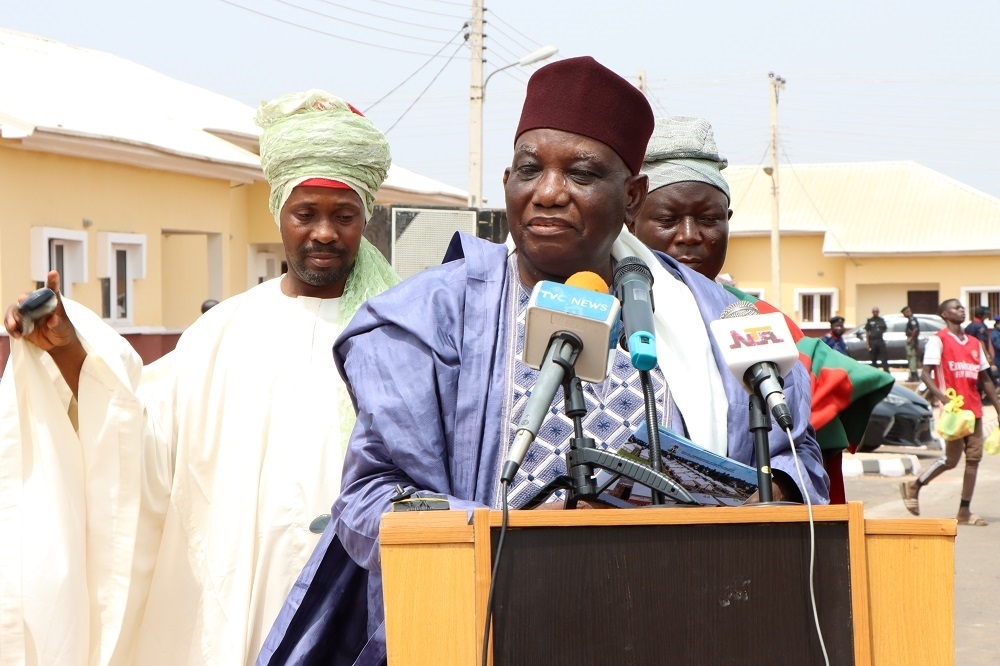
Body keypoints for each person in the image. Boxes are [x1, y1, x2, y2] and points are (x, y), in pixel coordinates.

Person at [259, 58, 828, 665]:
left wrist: (754, 503)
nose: (549, 192)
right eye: (531, 169)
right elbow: (371, 497)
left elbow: (798, 466)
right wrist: (523, 533)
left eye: (581, 173)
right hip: (486, 633)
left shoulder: (717, 321)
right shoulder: (429, 318)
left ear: (631, 195)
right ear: (508, 179)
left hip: (678, 627)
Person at [0, 91, 398, 665]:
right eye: (305, 214)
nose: (324, 234)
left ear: (365, 218)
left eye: (343, 216)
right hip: (242, 609)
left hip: (359, 610)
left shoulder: (399, 326)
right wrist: (66, 349)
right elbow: (140, 439)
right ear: (279, 213)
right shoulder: (226, 330)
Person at [626, 115, 891, 505]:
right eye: (667, 219)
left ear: (728, 222)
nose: (689, 235)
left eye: (709, 219)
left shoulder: (758, 322)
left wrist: (782, 486)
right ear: (630, 220)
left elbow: (804, 453)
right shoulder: (603, 312)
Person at [900, 299, 1000, 525]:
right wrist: (942, 397)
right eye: (955, 307)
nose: (961, 309)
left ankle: (964, 511)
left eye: (962, 307)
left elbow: (985, 380)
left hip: (973, 410)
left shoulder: (975, 343)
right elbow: (926, 374)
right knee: (951, 460)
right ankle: (915, 485)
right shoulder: (939, 340)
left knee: (974, 459)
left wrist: (998, 408)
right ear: (944, 314)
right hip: (954, 411)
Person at [864, 307, 889, 372]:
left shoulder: (881, 320)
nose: (875, 313)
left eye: (876, 311)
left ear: (878, 312)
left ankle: (886, 372)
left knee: (884, 358)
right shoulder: (870, 320)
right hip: (872, 341)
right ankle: (875, 372)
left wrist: (879, 332)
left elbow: (885, 329)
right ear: (872, 312)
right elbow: (867, 332)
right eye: (874, 312)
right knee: (873, 358)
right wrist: (867, 344)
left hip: (880, 341)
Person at [902, 306, 921, 382]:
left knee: (911, 357)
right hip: (913, 339)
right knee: (911, 357)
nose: (904, 315)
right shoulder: (911, 319)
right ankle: (913, 375)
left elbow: (915, 329)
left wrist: (910, 338)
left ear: (907, 312)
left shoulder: (912, 319)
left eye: (904, 313)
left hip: (912, 340)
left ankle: (914, 375)